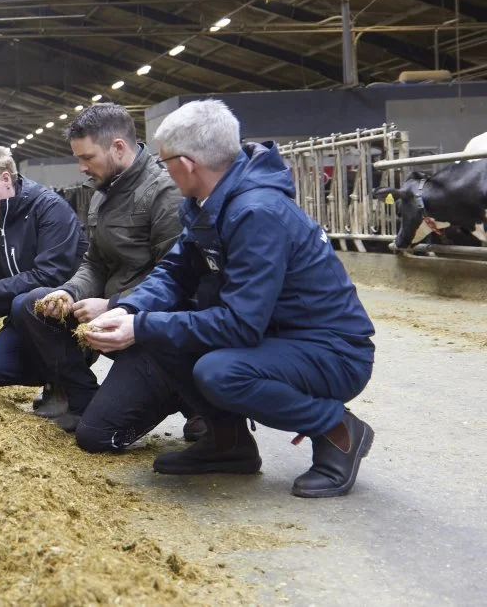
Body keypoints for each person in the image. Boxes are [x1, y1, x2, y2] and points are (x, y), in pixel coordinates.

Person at [80, 99, 376, 498]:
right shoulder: (207, 204)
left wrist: (141, 326)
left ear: (186, 165)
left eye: (165, 163)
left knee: (220, 372)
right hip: (277, 336)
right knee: (162, 335)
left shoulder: (256, 212)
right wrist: (131, 309)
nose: (163, 171)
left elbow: (240, 323)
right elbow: (175, 270)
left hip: (331, 351)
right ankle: (228, 444)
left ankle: (337, 429)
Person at [22, 104, 189, 434]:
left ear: (118, 147)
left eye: (87, 157)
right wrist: (69, 292)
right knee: (33, 306)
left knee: (96, 435)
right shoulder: (103, 191)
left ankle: (188, 398)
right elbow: (95, 262)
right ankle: (81, 395)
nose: (82, 167)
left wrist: (114, 305)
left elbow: (176, 279)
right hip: (111, 312)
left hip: (147, 324)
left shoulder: (164, 193)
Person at [0, 146, 89, 409]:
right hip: (24, 316)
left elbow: (50, 274)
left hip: (66, 308)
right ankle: (55, 376)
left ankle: (79, 385)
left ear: (5, 179)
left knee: (22, 302)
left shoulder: (49, 209)